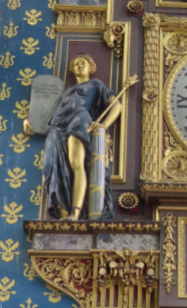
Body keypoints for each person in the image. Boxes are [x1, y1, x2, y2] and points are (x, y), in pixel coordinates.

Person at [26, 54, 121, 220]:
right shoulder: (66, 93)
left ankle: (75, 213)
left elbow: (117, 105)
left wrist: (104, 125)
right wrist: (29, 121)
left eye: (83, 63)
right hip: (56, 127)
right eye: (76, 64)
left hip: (79, 119)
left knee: (76, 163)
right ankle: (63, 212)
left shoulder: (95, 85)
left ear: (91, 67)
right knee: (51, 165)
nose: (79, 66)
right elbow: (46, 116)